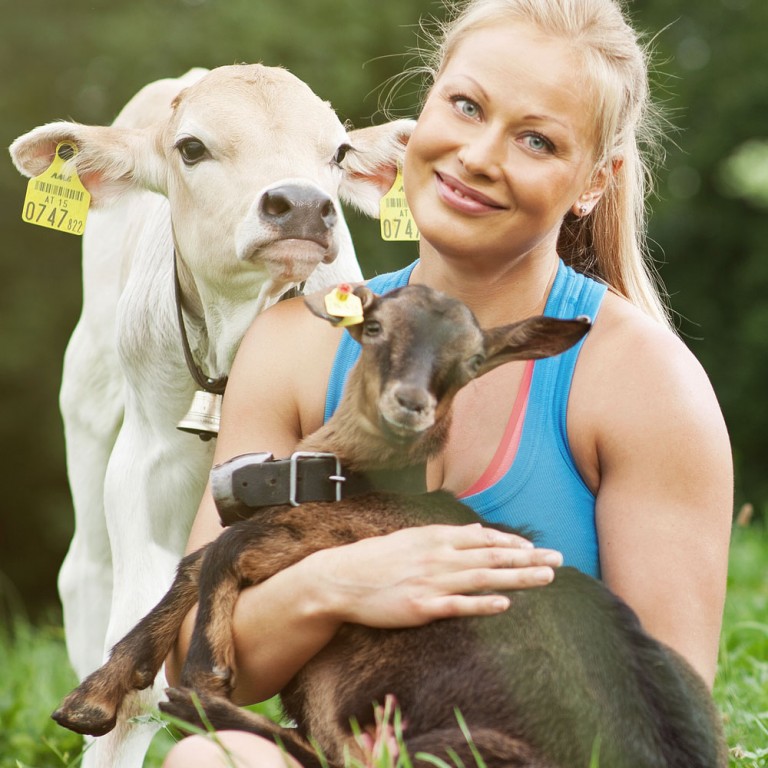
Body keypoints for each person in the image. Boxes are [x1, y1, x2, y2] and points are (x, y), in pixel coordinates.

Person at [163, 0, 733, 765]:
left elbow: (669, 728)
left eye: (536, 139)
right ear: (424, 106)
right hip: (348, 746)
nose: (477, 156)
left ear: (596, 181)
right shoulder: (294, 346)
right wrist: (339, 582)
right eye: (465, 106)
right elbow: (195, 664)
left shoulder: (641, 382)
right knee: (209, 759)